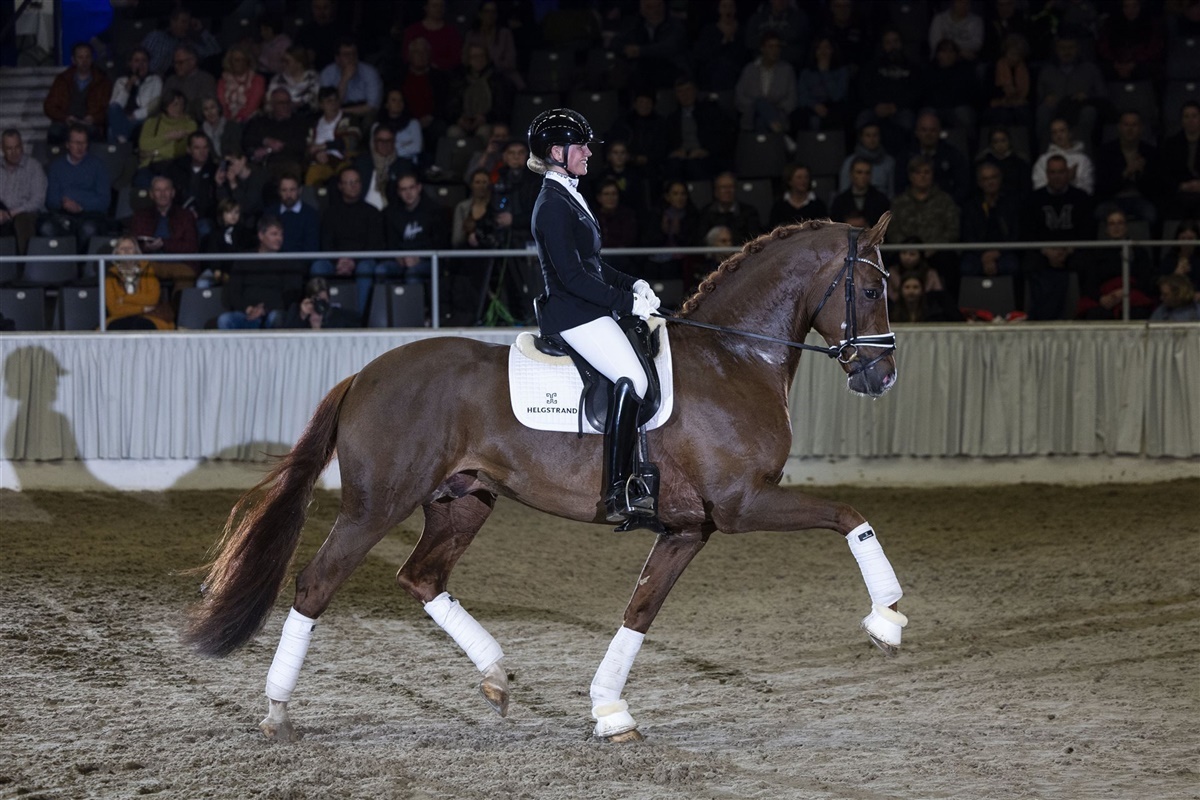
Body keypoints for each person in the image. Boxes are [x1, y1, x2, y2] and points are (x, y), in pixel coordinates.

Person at [526, 108, 665, 531]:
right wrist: (626, 303)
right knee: (634, 379)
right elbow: (572, 277)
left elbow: (594, 265)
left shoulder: (569, 194)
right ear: (557, 152)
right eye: (581, 147)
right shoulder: (552, 205)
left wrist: (633, 282)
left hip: (587, 305)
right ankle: (619, 489)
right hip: (572, 313)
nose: (588, 153)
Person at [1024, 154, 1095, 320]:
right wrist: (1047, 251)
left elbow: (1087, 231)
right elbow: (1028, 232)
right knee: (1030, 264)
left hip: (1073, 250)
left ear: (1068, 173)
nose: (1057, 176)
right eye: (1053, 172)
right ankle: (1041, 318)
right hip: (1043, 251)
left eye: (1061, 172)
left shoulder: (1081, 198)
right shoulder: (1033, 199)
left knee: (1088, 264)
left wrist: (1068, 250)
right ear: (1047, 174)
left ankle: (1085, 315)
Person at [311, 168, 385, 310]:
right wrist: (338, 261)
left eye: (356, 182)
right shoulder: (330, 212)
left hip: (362, 260)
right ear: (340, 186)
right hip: (335, 260)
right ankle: (319, 314)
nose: (353, 186)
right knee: (318, 267)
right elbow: (326, 243)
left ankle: (361, 318)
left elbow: (375, 244)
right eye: (349, 182)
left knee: (365, 268)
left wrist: (353, 262)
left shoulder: (372, 212)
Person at [219, 216, 304, 329]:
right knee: (225, 320)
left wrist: (264, 309)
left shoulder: (288, 261)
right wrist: (248, 308)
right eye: (274, 234)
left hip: (272, 312)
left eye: (281, 234)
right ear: (261, 236)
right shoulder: (244, 259)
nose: (279, 238)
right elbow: (234, 292)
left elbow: (290, 295)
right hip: (247, 314)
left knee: (276, 317)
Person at [1076, 208, 1155, 320]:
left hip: (1132, 295)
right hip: (1105, 297)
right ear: (1106, 229)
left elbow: (1145, 278)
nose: (1116, 227)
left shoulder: (1139, 252)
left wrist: (1124, 292)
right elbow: (1089, 281)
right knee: (1097, 315)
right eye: (1112, 224)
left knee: (1138, 313)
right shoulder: (1096, 253)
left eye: (1120, 223)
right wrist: (1101, 298)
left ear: (1126, 227)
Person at [39, 124, 111, 242]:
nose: (80, 147)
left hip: (90, 215)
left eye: (83, 143)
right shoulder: (56, 166)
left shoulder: (98, 166)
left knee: (88, 229)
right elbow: (51, 200)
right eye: (76, 143)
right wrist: (65, 204)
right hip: (63, 214)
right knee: (47, 228)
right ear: (67, 144)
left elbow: (104, 200)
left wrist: (80, 206)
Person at [128, 175, 199, 290]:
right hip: (149, 262)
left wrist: (164, 244)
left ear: (173, 193)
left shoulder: (186, 216)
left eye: (166, 190)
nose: (162, 194)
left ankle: (179, 302)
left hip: (180, 263)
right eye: (158, 190)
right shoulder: (140, 216)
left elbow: (191, 246)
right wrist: (146, 247)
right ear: (151, 194)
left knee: (186, 275)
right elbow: (132, 243)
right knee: (134, 271)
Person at [44, 41, 111, 144]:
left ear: (92, 59)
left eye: (87, 57)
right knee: (54, 132)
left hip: (90, 123)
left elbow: (107, 108)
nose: (84, 61)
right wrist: (65, 117)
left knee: (94, 133)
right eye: (80, 57)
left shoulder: (102, 81)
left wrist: (93, 118)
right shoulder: (63, 79)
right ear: (73, 60)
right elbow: (49, 106)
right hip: (66, 121)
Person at [734, 31, 797, 136]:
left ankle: (771, 126)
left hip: (778, 115)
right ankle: (777, 131)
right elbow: (739, 96)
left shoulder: (787, 70)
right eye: (771, 47)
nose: (775, 50)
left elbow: (791, 100)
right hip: (752, 116)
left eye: (777, 47)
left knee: (762, 119)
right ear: (762, 48)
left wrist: (771, 108)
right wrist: (757, 106)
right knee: (760, 104)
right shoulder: (750, 69)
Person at [104, 235, 174, 330]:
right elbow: (114, 310)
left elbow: (152, 299)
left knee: (142, 325)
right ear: (116, 253)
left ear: (136, 251)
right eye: (122, 248)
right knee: (121, 326)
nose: (126, 251)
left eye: (130, 248)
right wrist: (142, 309)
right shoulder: (111, 276)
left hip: (148, 317)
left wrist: (125, 298)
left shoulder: (148, 270)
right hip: (119, 318)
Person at [0, 129, 47, 254]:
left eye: (17, 147)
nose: (14, 152)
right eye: (9, 148)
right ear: (2, 148)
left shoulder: (34, 167)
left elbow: (38, 201)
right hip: (2, 211)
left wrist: (10, 213)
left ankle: (24, 262)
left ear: (22, 146)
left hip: (25, 212)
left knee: (23, 220)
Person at [304, 86, 360, 187]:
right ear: (321, 105)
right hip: (321, 162)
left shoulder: (349, 119)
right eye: (329, 101)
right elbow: (308, 148)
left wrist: (324, 146)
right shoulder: (314, 124)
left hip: (343, 160)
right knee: (313, 174)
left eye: (335, 100)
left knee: (345, 175)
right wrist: (316, 154)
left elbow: (352, 141)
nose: (333, 104)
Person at [107, 47, 161, 145]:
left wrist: (135, 115)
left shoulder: (155, 80)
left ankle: (121, 141)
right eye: (136, 61)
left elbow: (154, 104)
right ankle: (122, 140)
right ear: (130, 63)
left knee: (112, 130)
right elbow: (115, 106)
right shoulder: (121, 81)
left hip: (143, 117)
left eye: (144, 60)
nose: (141, 64)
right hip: (123, 116)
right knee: (113, 109)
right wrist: (128, 86)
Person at [318, 38, 382, 121]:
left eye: (354, 54)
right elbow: (328, 105)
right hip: (335, 115)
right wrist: (344, 79)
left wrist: (341, 112)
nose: (351, 58)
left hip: (363, 114)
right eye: (346, 55)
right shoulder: (327, 73)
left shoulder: (370, 72)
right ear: (337, 58)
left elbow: (373, 106)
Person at [1032, 118, 1095, 196]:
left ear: (1070, 133)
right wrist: (1066, 179)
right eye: (1054, 132)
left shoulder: (1084, 160)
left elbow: (1087, 190)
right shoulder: (1043, 160)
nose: (1058, 135)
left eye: (1062, 131)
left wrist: (1069, 182)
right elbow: (1039, 188)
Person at [698, 171, 762, 245]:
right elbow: (700, 240)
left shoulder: (749, 212)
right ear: (716, 191)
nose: (728, 191)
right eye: (723, 187)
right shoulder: (706, 212)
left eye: (731, 187)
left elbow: (754, 239)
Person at [278, 276, 360, 329]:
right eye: (316, 300)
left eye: (323, 300)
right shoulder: (296, 311)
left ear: (328, 298)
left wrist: (320, 325)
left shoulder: (337, 314)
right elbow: (287, 336)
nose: (320, 304)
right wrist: (302, 316)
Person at [829, 156, 890, 226]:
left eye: (867, 173)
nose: (863, 176)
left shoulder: (881, 200)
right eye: (859, 172)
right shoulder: (839, 201)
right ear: (851, 174)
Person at [161, 45, 217, 120]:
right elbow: (163, 104)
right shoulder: (171, 80)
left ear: (192, 61)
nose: (176, 66)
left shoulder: (206, 79)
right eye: (175, 63)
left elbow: (205, 107)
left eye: (180, 62)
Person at [217, 45, 267, 124]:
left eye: (243, 59)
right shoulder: (222, 81)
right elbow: (222, 104)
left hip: (250, 119)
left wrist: (239, 118)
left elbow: (253, 104)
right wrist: (229, 119)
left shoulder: (257, 80)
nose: (241, 63)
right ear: (230, 62)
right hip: (227, 120)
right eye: (237, 60)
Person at [770, 162, 828, 226]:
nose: (803, 181)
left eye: (806, 177)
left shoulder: (818, 205)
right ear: (789, 181)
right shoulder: (779, 206)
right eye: (799, 177)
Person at [267, 45, 320, 111]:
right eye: (282, 61)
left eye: (287, 62)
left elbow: (315, 103)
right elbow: (269, 102)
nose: (283, 64)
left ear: (299, 63)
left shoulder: (313, 78)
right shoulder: (277, 80)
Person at [1158, 219, 1200, 289]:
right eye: (1183, 238)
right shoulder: (1169, 260)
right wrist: (1176, 275)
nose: (1186, 243)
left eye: (1190, 239)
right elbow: (1160, 286)